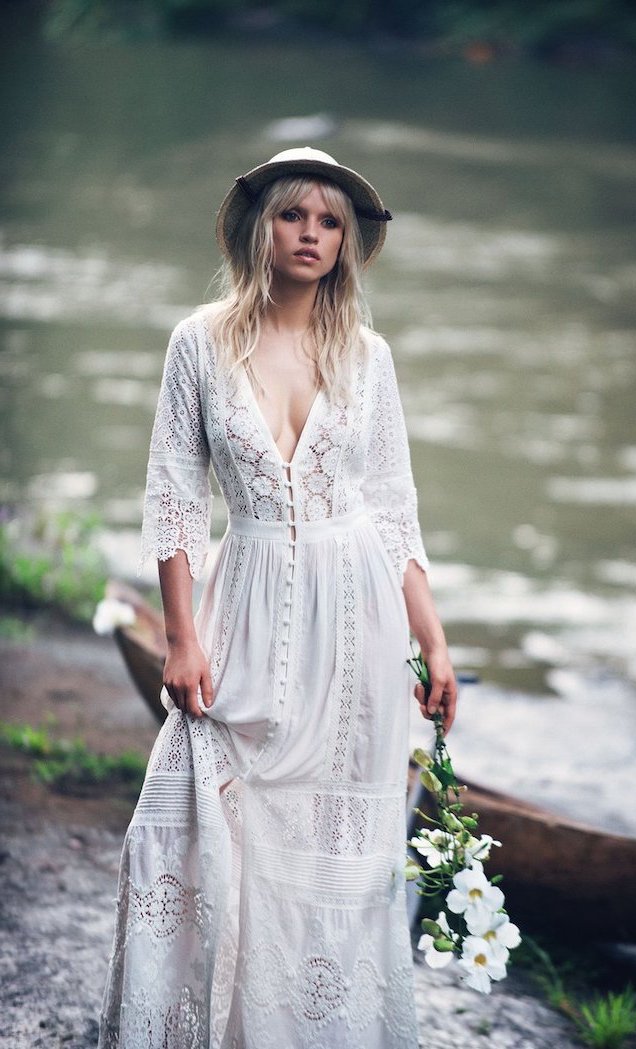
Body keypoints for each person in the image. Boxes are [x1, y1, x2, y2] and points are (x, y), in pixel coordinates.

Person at [98, 146, 458, 1049]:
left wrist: (435, 645)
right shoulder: (200, 342)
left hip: (357, 626)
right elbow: (176, 498)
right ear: (262, 226)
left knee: (336, 851)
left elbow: (393, 512)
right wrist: (181, 638)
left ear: (347, 243)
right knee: (194, 804)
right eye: (295, 215)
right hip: (246, 602)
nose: (311, 234)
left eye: (330, 221)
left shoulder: (368, 358)